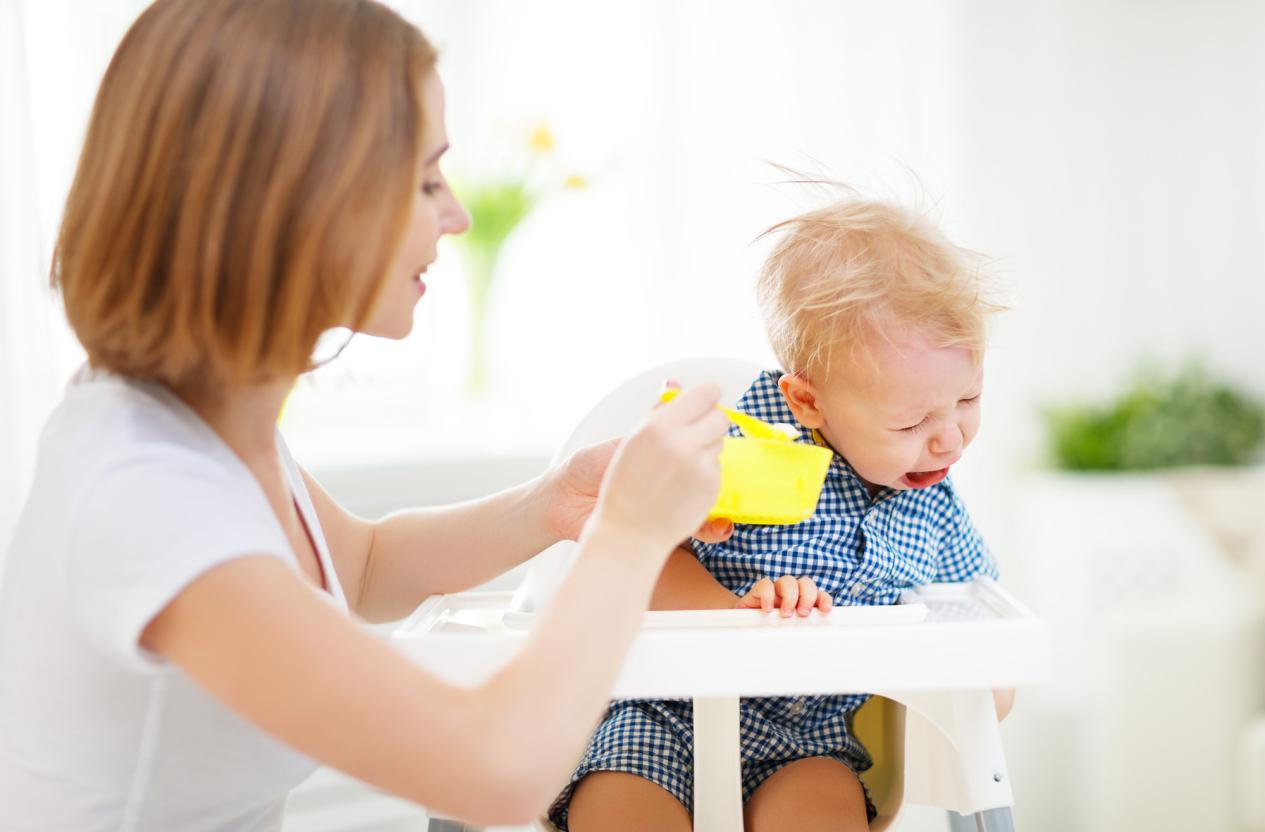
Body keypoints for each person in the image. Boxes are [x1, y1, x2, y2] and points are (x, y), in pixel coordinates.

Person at [0, 1, 735, 829]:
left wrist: (558, 502)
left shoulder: (200, 420)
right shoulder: (145, 492)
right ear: (295, 202)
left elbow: (361, 571)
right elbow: (498, 771)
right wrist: (631, 532)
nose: (455, 214)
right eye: (425, 180)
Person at [554, 193, 1016, 832]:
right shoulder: (730, 454)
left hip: (810, 742)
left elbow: (977, 616)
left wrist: (983, 681)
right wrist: (736, 615)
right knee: (618, 810)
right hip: (662, 713)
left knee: (820, 808)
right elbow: (638, 561)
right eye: (911, 421)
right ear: (807, 402)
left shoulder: (934, 507)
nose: (949, 440)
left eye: (968, 399)